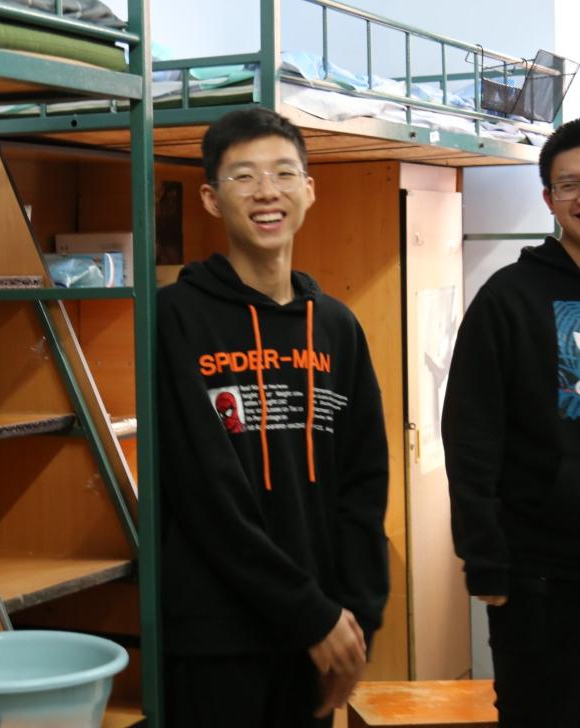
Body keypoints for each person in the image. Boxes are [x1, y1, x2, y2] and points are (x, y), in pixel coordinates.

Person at [157, 107, 390, 727]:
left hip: (319, 635)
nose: (267, 191)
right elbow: (205, 491)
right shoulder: (175, 317)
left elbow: (364, 482)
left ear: (309, 190)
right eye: (244, 176)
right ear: (211, 198)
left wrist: (357, 619)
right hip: (218, 636)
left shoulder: (336, 326)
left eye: (284, 173)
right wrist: (309, 612)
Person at [443, 116, 580, 727]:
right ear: (549, 199)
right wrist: (484, 557)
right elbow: (471, 433)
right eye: (569, 185)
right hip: (541, 576)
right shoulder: (509, 297)